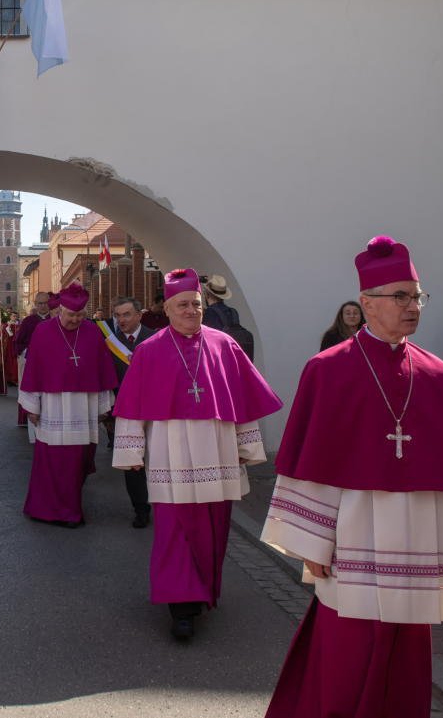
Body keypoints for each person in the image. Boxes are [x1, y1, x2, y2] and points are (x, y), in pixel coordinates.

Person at [262, 235, 443, 718]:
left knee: (406, 653)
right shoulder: (327, 370)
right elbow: (311, 463)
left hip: (422, 539)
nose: (412, 306)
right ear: (367, 303)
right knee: (348, 649)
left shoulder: (438, 374)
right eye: (400, 296)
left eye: (417, 296)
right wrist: (310, 544)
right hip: (353, 537)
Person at [113, 272, 282, 640]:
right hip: (169, 454)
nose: (191, 311)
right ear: (167, 309)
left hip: (218, 453)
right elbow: (131, 408)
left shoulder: (225, 345)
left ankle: (201, 591)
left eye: (197, 304)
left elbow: (244, 402)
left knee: (212, 527)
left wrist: (246, 447)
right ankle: (181, 606)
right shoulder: (150, 349)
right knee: (174, 529)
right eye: (183, 305)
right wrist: (131, 451)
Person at [18, 282, 118, 528]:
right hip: (53, 406)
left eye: (80, 315)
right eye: (71, 314)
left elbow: (103, 370)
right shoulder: (43, 331)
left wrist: (105, 405)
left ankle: (70, 508)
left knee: (76, 462)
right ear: (60, 310)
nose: (75, 319)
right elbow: (34, 371)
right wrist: (32, 406)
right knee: (51, 461)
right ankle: (46, 509)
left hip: (84, 407)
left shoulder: (93, 332)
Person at [96, 296, 157, 529]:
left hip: (155, 409)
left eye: (127, 314)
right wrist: (109, 413)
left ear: (139, 315)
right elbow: (107, 377)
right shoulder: (111, 343)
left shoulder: (155, 338)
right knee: (132, 463)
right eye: (118, 315)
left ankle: (162, 502)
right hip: (126, 411)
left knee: (158, 458)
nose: (121, 320)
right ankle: (141, 509)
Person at [14, 291, 51, 428]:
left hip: (50, 363)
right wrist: (26, 352)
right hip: (30, 361)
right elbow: (18, 342)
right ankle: (26, 417)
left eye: (45, 303)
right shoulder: (28, 321)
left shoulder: (55, 319)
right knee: (29, 388)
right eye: (40, 303)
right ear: (36, 304)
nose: (42, 306)